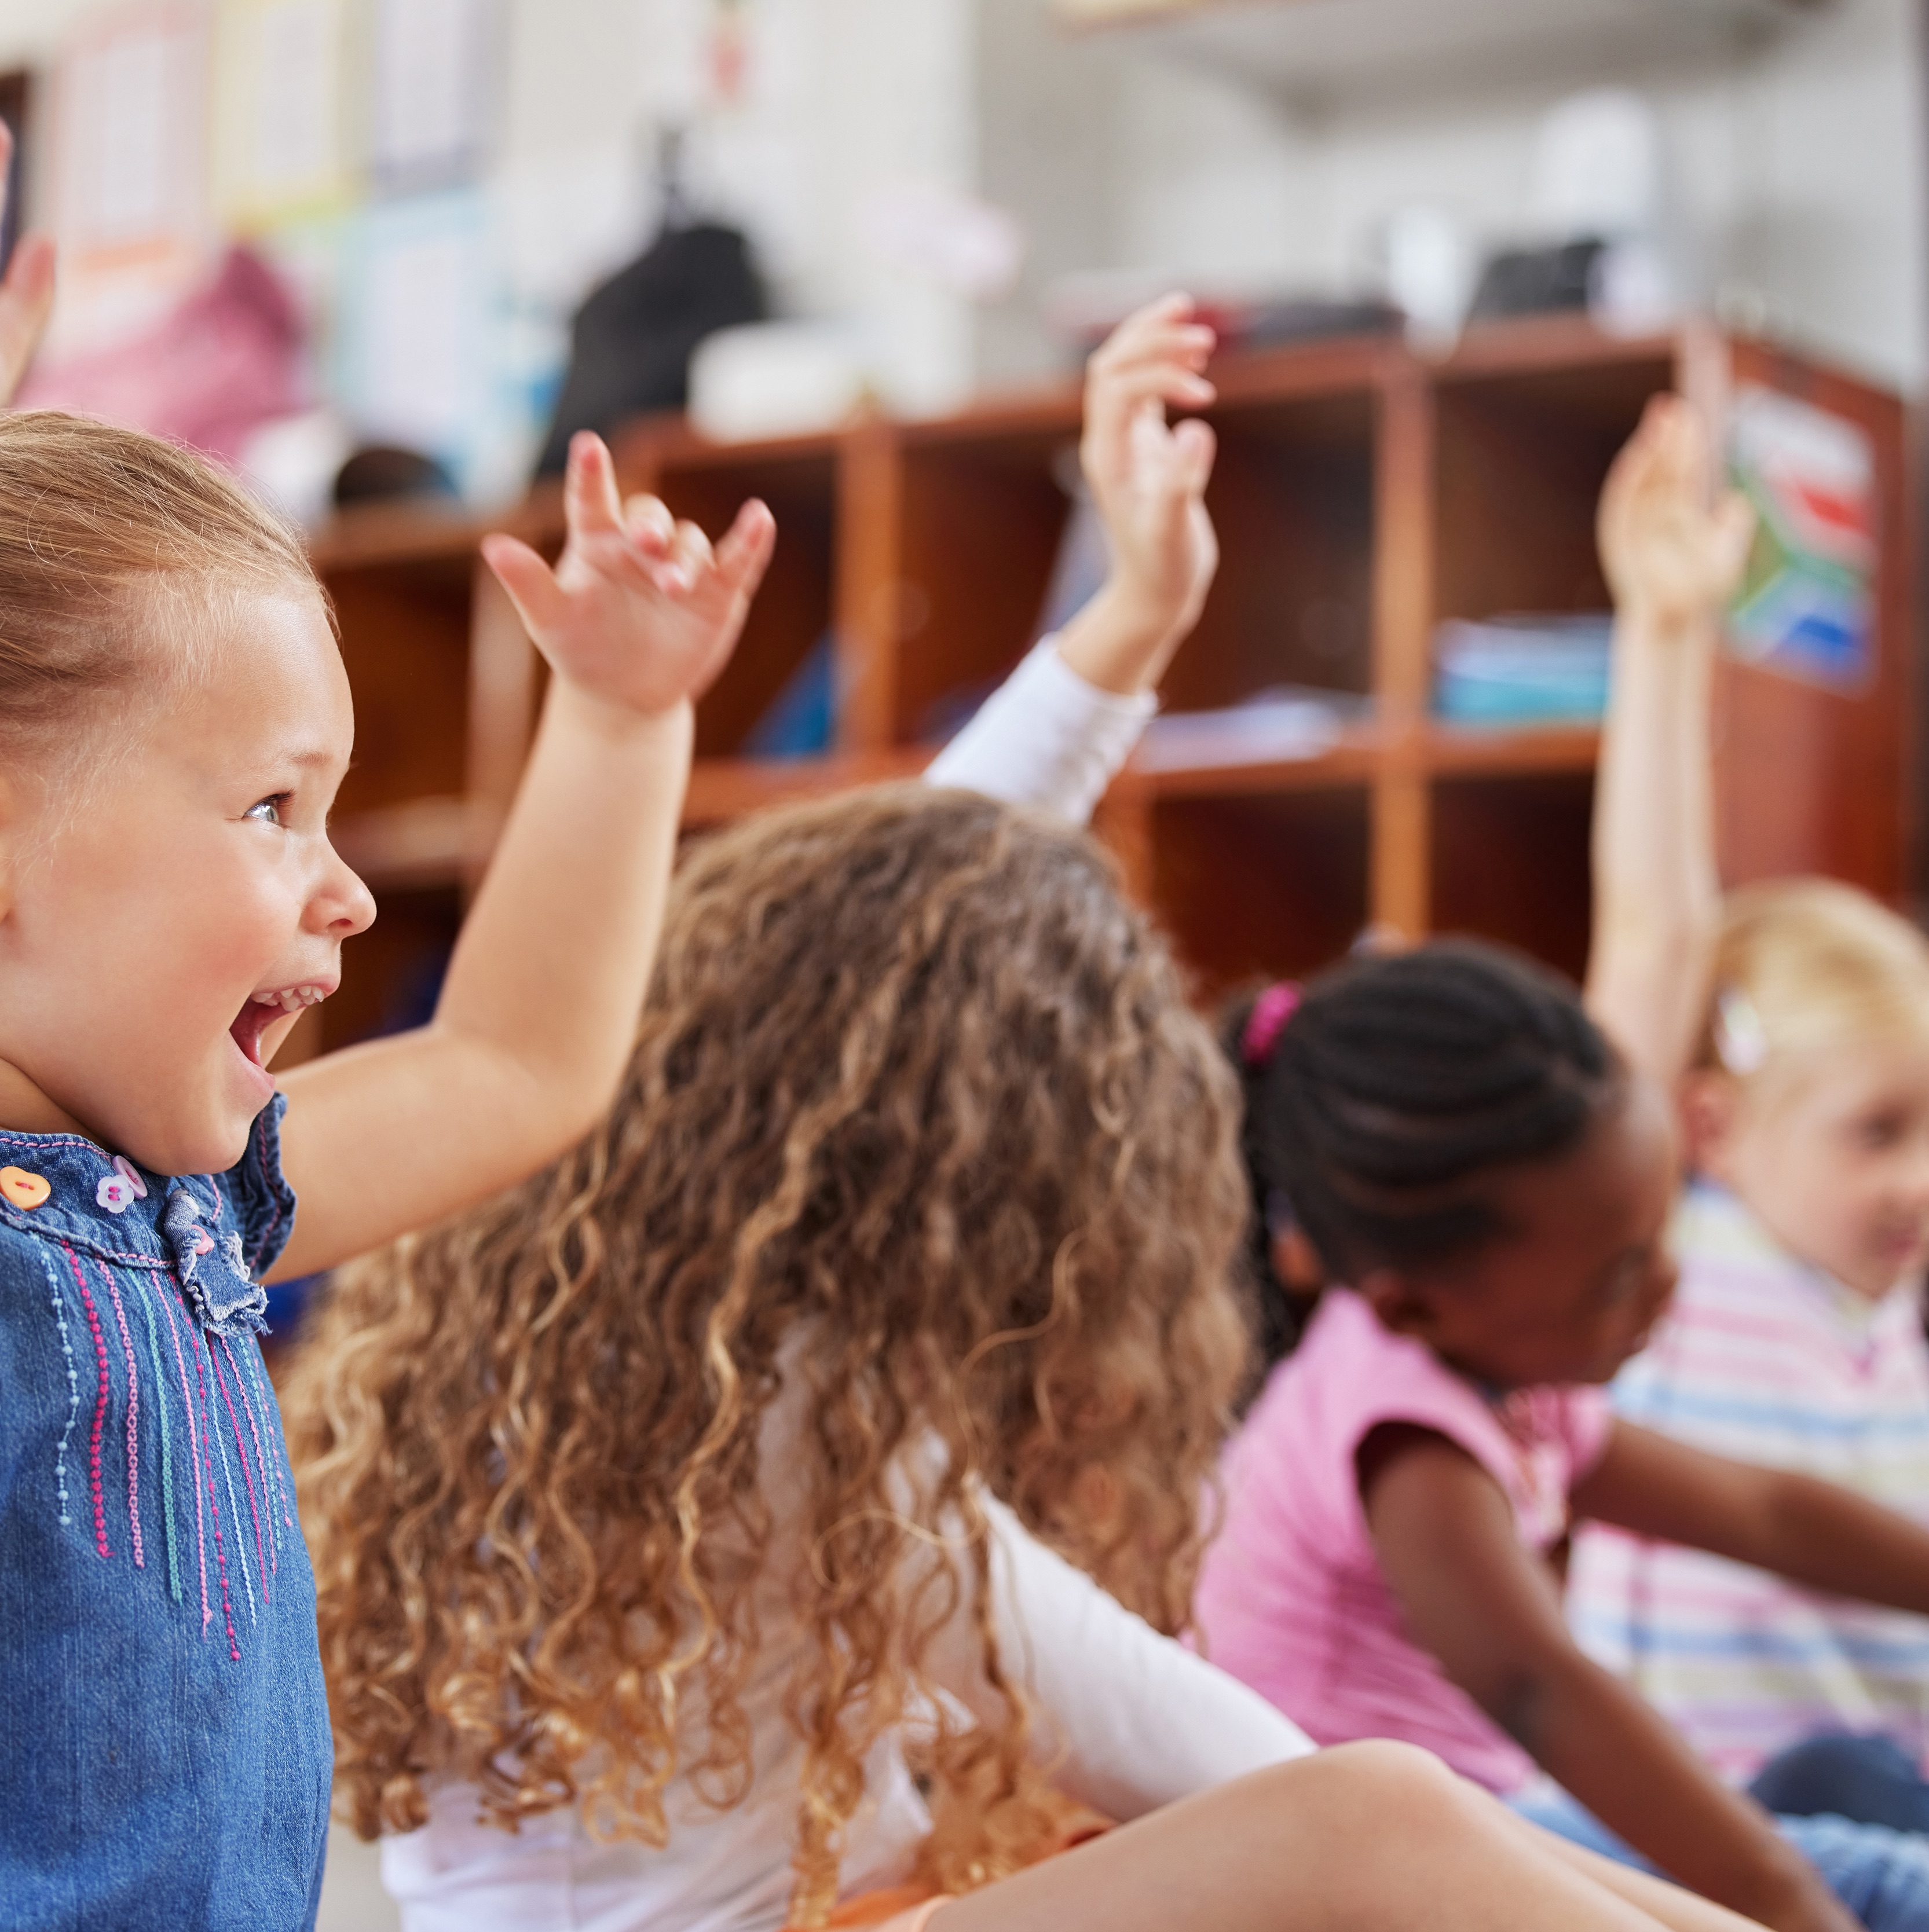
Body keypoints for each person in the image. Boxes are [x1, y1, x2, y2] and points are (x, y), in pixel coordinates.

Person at [285, 309, 1760, 1932]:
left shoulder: (594, 1278)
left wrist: (1134, 618)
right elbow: (1242, 1770)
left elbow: (889, 933)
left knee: (1337, 1826)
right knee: (1365, 1816)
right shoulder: (799, 1435)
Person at [0, 394, 777, 1931]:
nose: (348, 891)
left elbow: (514, 1062)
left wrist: (622, 721)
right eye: (271, 808)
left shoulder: (181, 1212)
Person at [1193, 401, 1929, 1932]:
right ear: (1412, 1299)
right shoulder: (1402, 1434)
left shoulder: (1504, 1361)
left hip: (1507, 1828)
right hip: (1393, 1876)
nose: (1662, 1277)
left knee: (1855, 1782)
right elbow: (1543, 1685)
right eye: (1613, 1274)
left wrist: (1664, 628)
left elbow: (1773, 1514)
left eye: (1652, 1237)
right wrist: (1784, 1904)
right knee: (1855, 1881)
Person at [1568, 420, 1929, 1824]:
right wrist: (1662, 632)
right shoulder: (1668, 1266)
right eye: (1875, 1130)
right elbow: (1654, 933)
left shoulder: (1895, 1337)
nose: (1920, 1178)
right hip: (1685, 1834)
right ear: (1707, 1129)